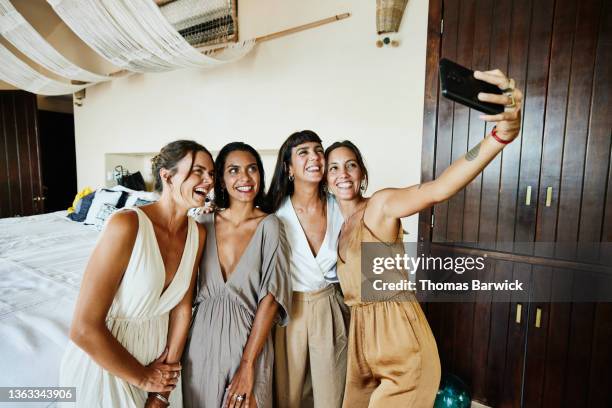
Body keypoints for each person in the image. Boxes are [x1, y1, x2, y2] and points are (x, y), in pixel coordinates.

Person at [325, 69, 523, 407]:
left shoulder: (381, 205)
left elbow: (440, 188)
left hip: (402, 345)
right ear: (326, 179)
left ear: (362, 174)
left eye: (351, 165)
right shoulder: (339, 227)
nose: (342, 173)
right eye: (333, 167)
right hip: (363, 348)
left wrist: (500, 136)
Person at [59, 140, 212, 408]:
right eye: (198, 171)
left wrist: (162, 390)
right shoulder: (126, 224)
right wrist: (143, 378)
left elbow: (181, 310)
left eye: (211, 173)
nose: (209, 180)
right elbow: (83, 328)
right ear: (167, 176)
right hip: (109, 366)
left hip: (160, 370)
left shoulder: (197, 234)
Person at [182, 142, 291, 408]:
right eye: (234, 170)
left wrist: (247, 364)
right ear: (220, 178)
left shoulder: (270, 226)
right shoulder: (201, 224)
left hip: (248, 342)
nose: (244, 177)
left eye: (252, 169)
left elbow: (271, 298)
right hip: (200, 343)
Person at [268, 130, 348, 408]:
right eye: (303, 152)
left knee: (332, 393)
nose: (314, 157)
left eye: (318, 150)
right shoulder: (273, 213)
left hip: (330, 305)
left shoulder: (341, 206)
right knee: (289, 396)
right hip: (289, 310)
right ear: (288, 167)